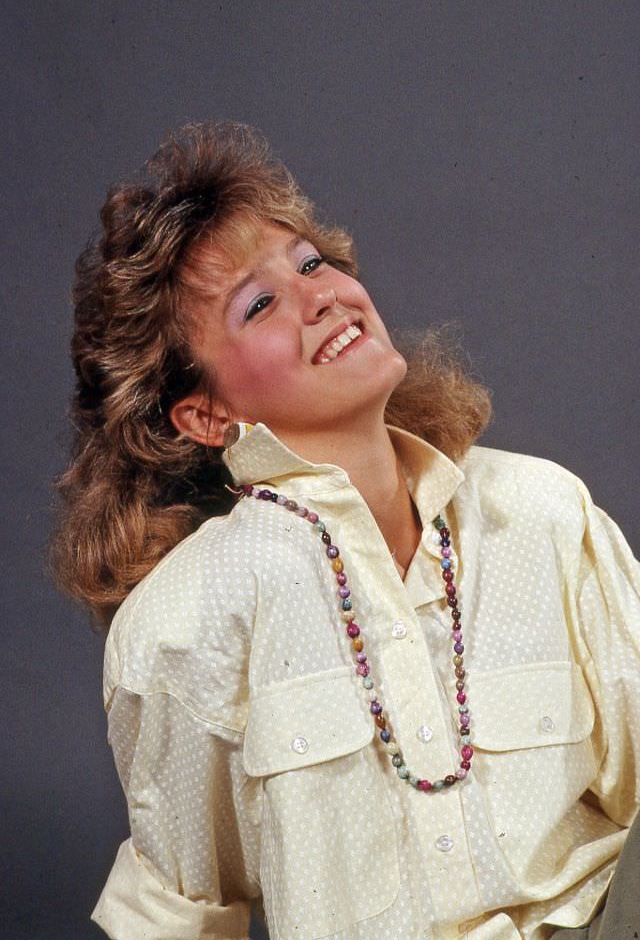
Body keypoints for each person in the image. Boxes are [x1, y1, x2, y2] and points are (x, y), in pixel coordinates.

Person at [52, 122, 640, 940]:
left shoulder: (541, 511)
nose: (320, 294)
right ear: (206, 413)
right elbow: (175, 918)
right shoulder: (185, 621)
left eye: (311, 262)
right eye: (259, 304)